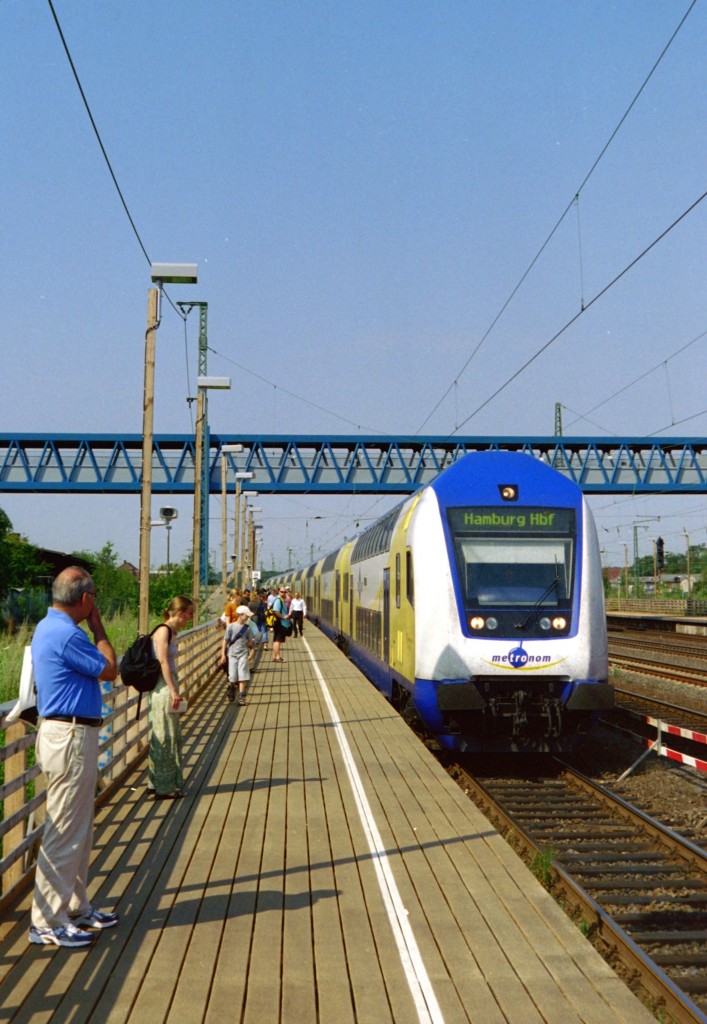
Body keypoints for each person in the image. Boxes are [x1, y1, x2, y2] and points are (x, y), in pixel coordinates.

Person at [29, 566, 119, 948]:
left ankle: (76, 907)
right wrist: (99, 629)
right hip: (69, 735)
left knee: (78, 828)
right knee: (65, 829)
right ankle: (47, 920)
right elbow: (110, 669)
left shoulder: (47, 626)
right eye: (93, 597)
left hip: (67, 733)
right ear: (85, 599)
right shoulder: (69, 635)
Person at [148, 595, 193, 800]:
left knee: (164, 733)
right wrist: (173, 691)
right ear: (181, 613)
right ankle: (164, 787)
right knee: (166, 736)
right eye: (189, 614)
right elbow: (164, 662)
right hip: (164, 688)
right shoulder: (164, 631)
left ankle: (155, 782)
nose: (190, 619)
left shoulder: (168, 631)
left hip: (164, 686)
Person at [220, 605, 255, 705]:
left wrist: (251, 647)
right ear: (240, 615)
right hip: (232, 654)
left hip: (243, 653)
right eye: (246, 615)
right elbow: (225, 640)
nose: (247, 617)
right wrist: (223, 654)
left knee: (243, 674)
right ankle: (232, 687)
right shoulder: (230, 627)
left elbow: (249, 642)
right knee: (233, 674)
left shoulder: (247, 628)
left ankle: (241, 696)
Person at [271, 587, 291, 663]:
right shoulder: (278, 600)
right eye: (281, 592)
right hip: (279, 623)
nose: (283, 593)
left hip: (279, 622)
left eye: (284, 592)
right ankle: (278, 657)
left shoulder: (280, 600)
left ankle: (274, 656)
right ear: (278, 592)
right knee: (278, 641)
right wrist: (283, 617)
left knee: (276, 640)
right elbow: (276, 611)